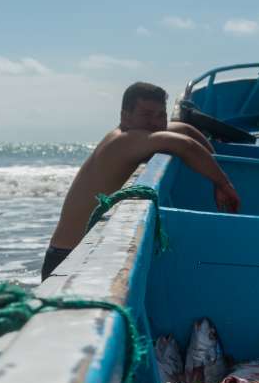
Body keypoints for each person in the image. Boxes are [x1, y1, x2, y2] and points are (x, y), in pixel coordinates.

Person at [41, 82, 241, 280]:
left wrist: (214, 158)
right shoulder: (125, 139)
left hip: (81, 251)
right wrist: (223, 183)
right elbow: (184, 144)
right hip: (67, 258)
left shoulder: (140, 133)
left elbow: (185, 129)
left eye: (160, 115)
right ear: (124, 116)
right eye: (146, 115)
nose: (155, 122)